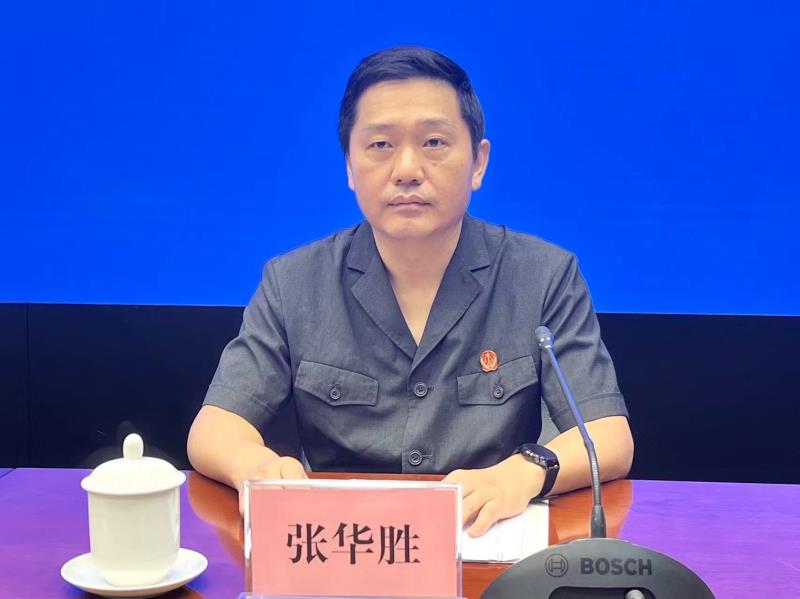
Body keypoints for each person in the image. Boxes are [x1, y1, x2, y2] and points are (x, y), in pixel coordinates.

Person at [187, 46, 633, 537]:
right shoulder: (293, 282)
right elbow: (214, 428)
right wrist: (257, 467)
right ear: (350, 167)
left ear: (479, 162)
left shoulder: (544, 275)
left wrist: (522, 472)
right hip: (344, 546)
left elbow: (608, 436)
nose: (406, 169)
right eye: (380, 145)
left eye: (434, 142)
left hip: (484, 539)